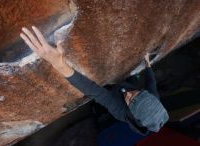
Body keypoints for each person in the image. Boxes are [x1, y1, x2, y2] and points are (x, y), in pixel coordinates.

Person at [20, 26, 169, 135]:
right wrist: (148, 65)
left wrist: (59, 64)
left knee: (106, 87)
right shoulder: (152, 98)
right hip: (129, 83)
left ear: (132, 112)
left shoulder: (120, 111)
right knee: (130, 80)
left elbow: (95, 91)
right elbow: (152, 84)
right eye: (136, 93)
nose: (128, 94)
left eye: (131, 101)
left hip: (112, 92)